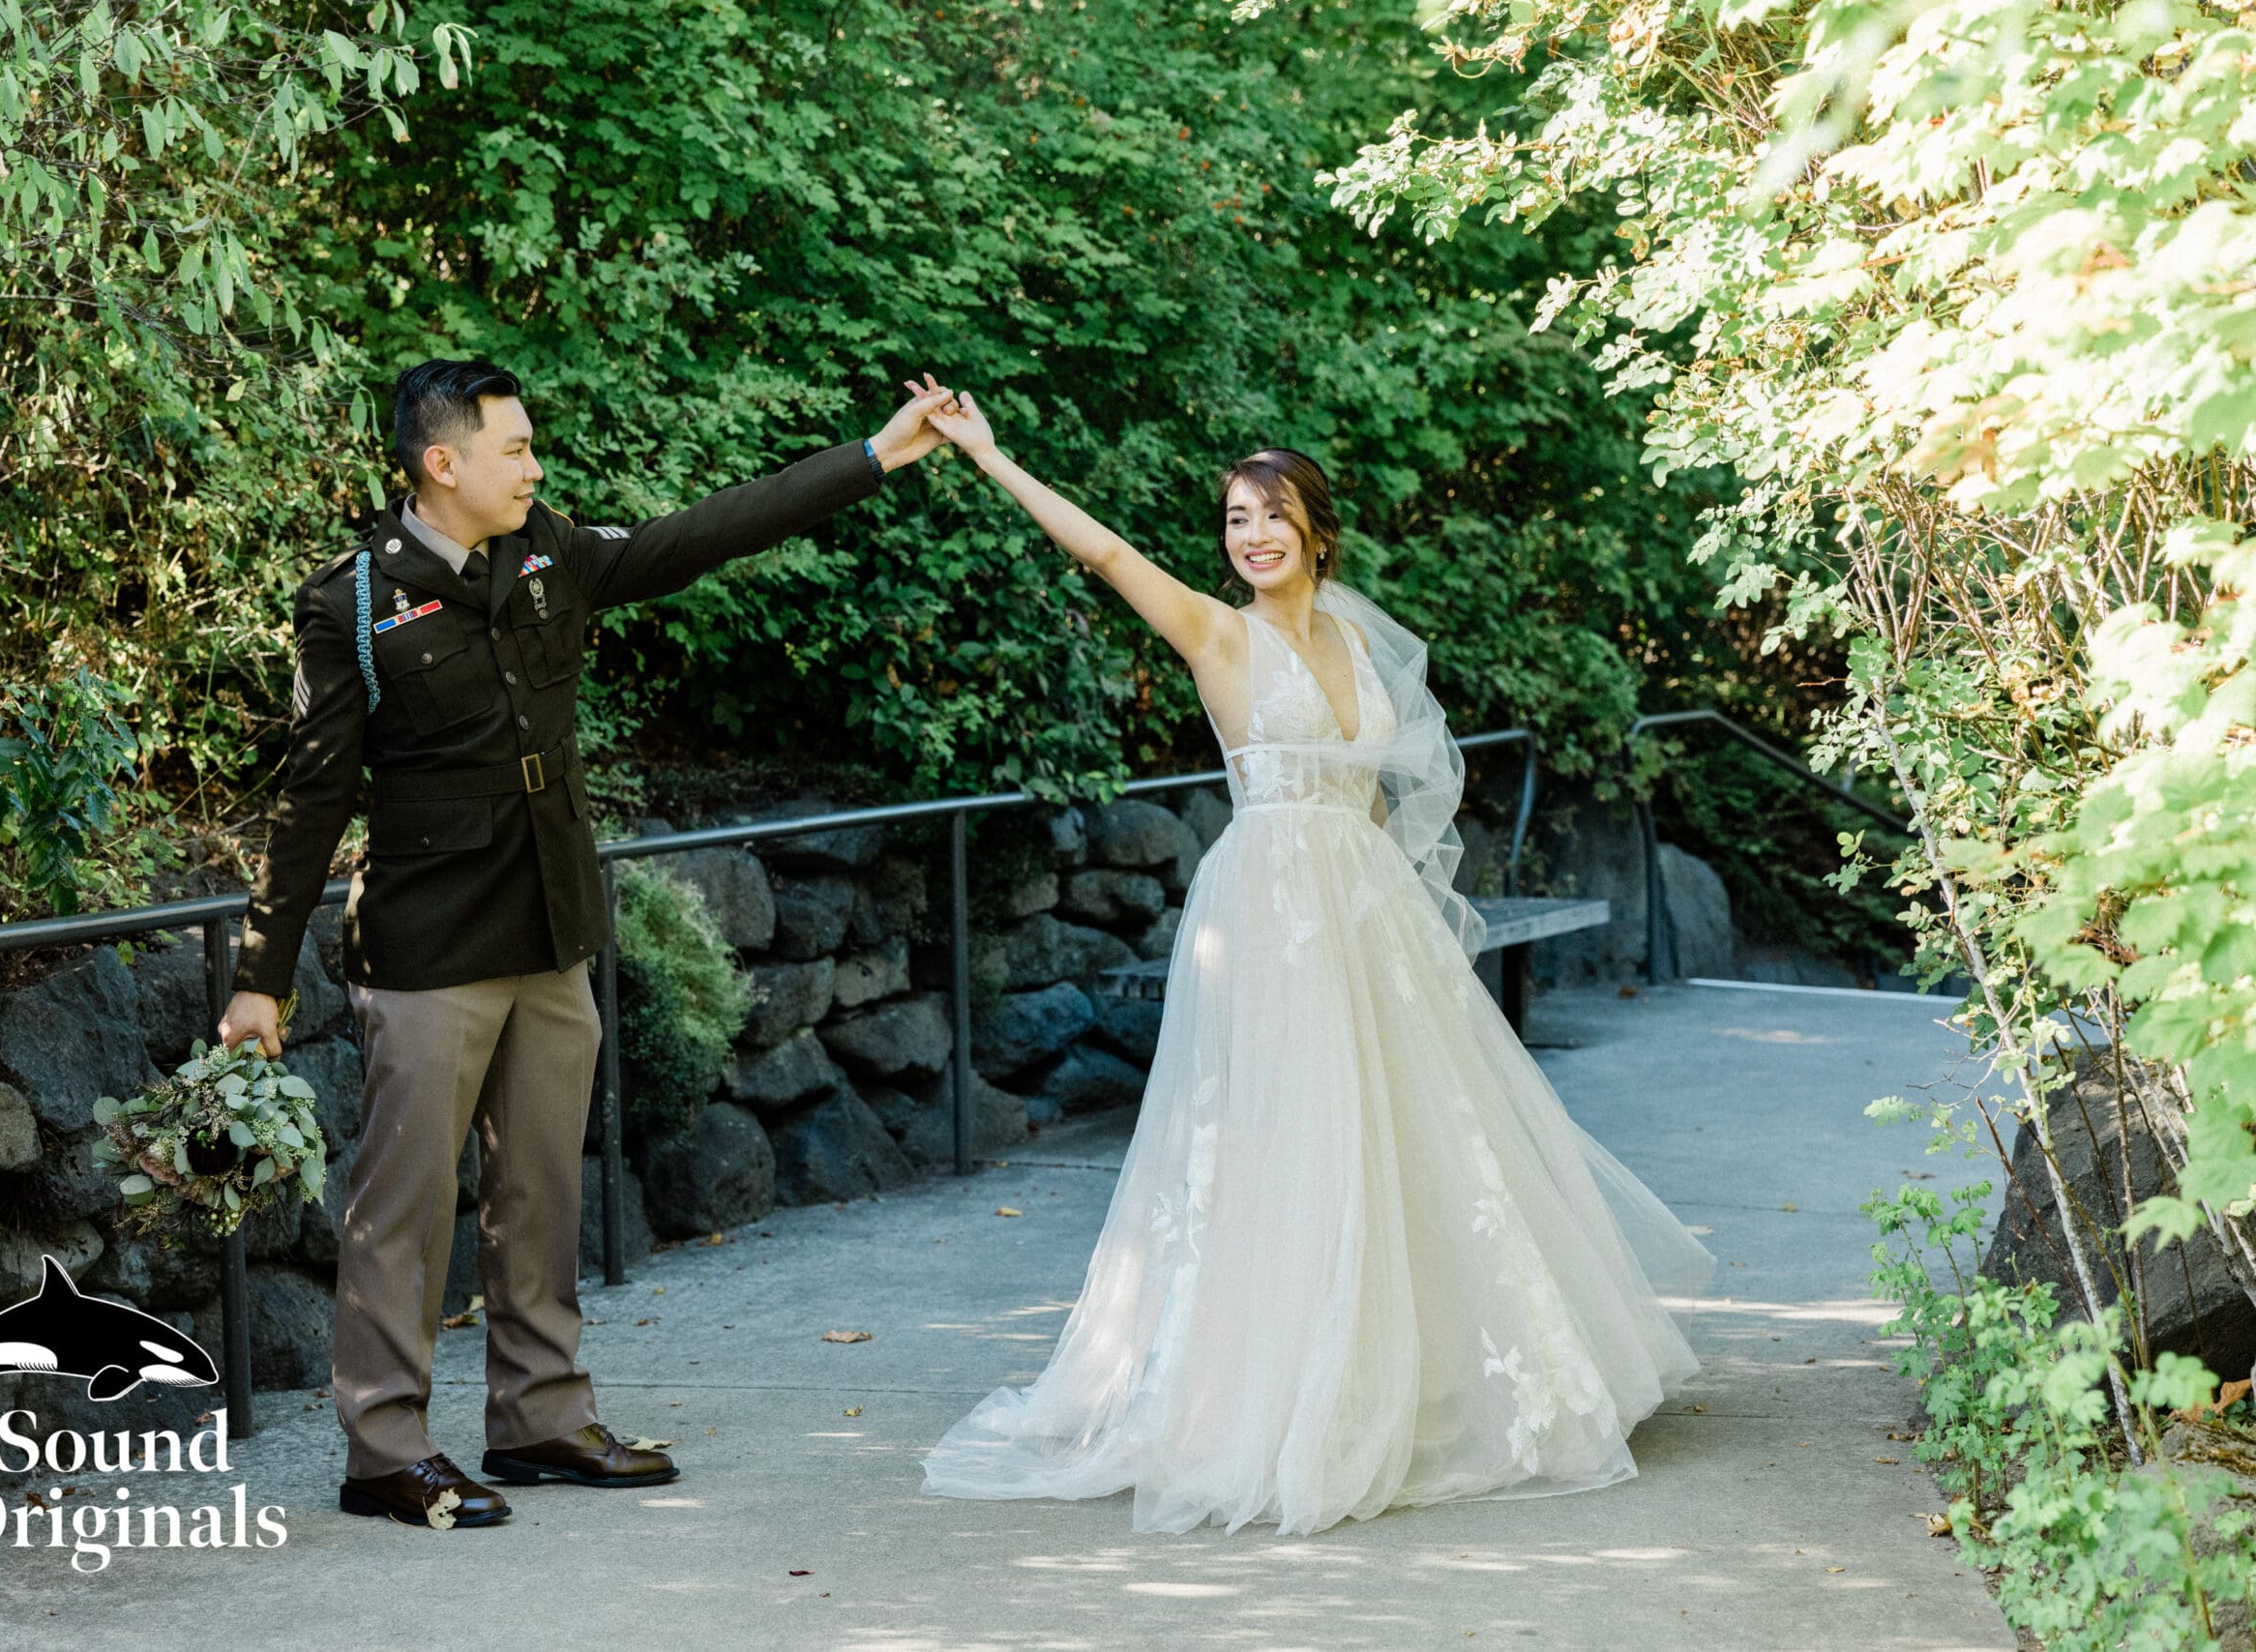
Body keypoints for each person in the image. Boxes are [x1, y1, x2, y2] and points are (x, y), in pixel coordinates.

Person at [909, 383, 1717, 1536]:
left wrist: (1399, 917)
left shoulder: (1353, 636)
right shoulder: (1215, 631)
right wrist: (989, 455)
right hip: (1273, 903)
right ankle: (1290, 1396)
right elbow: (1104, 551)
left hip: (1365, 906)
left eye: (1272, 515)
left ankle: (1428, 1378)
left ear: (1315, 530)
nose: (1252, 536)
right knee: (1295, 1134)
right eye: (1235, 518)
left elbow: (1377, 794)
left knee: (1416, 1134)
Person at [215, 359, 959, 1528]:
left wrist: (871, 456)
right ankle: (385, 1449)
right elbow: (309, 802)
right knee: (406, 1205)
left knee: (543, 1188)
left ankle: (540, 1418)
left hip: (551, 929)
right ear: (440, 462)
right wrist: (260, 978)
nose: (534, 467)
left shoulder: (548, 549)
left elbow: (697, 536)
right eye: (513, 449)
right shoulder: (352, 603)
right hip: (428, 947)